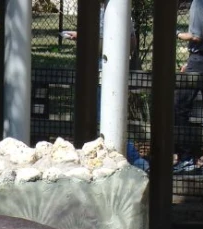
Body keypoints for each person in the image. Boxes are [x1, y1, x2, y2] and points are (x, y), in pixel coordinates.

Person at [63, 2, 147, 170]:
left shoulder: (108, 12)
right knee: (105, 120)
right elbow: (132, 42)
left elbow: (123, 42)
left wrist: (85, 39)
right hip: (105, 75)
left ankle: (128, 158)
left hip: (103, 75)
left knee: (102, 120)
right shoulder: (119, 11)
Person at [173, 0, 203, 174]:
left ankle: (186, 157)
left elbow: (196, 36)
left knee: (180, 106)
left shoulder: (200, 3)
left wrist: (176, 34)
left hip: (199, 61)